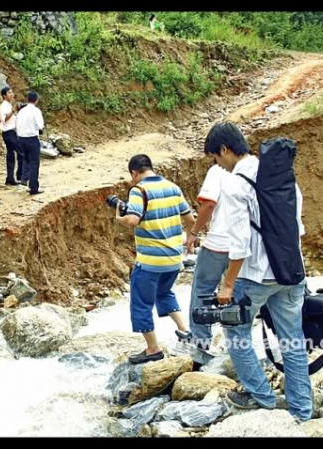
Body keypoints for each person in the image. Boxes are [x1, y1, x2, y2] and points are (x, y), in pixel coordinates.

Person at [204, 122, 311, 421]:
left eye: (216, 158)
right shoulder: (283, 176)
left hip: (255, 277)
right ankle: (302, 411)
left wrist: (227, 286)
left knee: (236, 333)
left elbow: (239, 246)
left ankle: (261, 396)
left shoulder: (236, 183)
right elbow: (297, 227)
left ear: (225, 150)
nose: (218, 165)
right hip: (291, 273)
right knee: (292, 340)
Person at [115, 154, 195, 364]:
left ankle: (153, 349)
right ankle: (185, 331)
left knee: (140, 303)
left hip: (150, 261)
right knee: (164, 292)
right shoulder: (172, 187)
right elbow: (190, 219)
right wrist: (189, 240)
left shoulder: (138, 190)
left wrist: (119, 218)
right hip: (174, 259)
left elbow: (132, 220)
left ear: (134, 172)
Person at [185, 163, 232, 370]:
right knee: (237, 293)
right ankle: (237, 345)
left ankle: (201, 343)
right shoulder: (254, 167)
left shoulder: (218, 170)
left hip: (219, 243)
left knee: (203, 290)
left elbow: (209, 204)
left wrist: (194, 232)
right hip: (246, 245)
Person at [15, 91, 45, 195]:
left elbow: (17, 125)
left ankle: (24, 178)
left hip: (21, 139)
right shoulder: (36, 111)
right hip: (32, 139)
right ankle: (33, 187)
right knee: (34, 163)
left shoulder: (21, 111)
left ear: (27, 99)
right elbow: (40, 125)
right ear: (36, 100)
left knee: (26, 160)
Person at [0, 86, 24, 185]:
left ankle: (10, 178)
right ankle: (20, 176)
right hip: (10, 132)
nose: (11, 94)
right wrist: (13, 111)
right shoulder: (4, 106)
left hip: (11, 132)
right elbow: (4, 119)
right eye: (9, 93)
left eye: (12, 92)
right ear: (4, 95)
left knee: (10, 154)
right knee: (21, 153)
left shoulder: (8, 105)